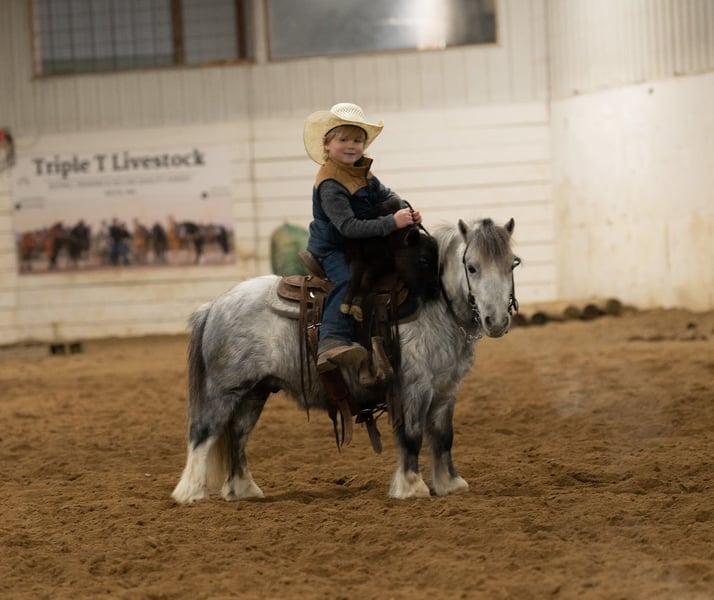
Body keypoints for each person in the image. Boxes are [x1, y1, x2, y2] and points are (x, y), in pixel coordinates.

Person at [303, 102, 422, 373]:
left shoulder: (362, 171)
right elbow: (348, 226)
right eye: (343, 140)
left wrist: (405, 209)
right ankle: (331, 339)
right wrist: (392, 222)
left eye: (357, 140)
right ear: (327, 144)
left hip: (361, 244)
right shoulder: (330, 183)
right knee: (346, 279)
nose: (351, 146)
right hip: (334, 247)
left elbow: (387, 195)